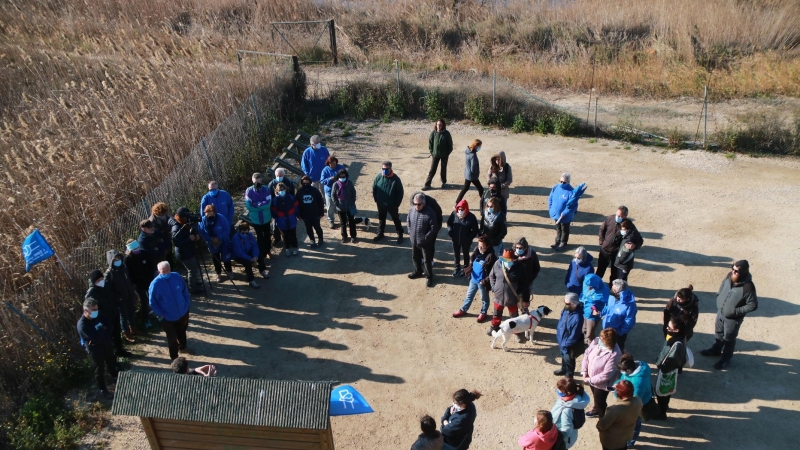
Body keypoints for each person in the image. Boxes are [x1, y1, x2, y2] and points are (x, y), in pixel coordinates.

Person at [701, 260, 758, 370]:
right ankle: (716, 350)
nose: (733, 272)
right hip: (721, 312)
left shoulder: (748, 287)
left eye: (736, 271)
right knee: (719, 333)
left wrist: (735, 312)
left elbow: (753, 305)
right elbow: (723, 285)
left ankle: (725, 359)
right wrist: (719, 296)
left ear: (743, 272)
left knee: (729, 339)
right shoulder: (729, 276)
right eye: (732, 269)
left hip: (733, 319)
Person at [149, 261, 192, 361]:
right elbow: (152, 302)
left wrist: (187, 303)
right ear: (158, 271)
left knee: (182, 331)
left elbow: (184, 290)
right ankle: (174, 358)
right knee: (172, 339)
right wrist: (161, 314)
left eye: (168, 270)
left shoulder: (176, 276)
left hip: (183, 312)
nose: (166, 273)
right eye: (163, 272)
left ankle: (183, 347)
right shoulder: (155, 284)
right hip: (168, 317)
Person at [85, 269, 132, 358]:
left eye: (102, 278)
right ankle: (111, 356)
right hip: (103, 318)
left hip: (114, 313)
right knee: (108, 337)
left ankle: (119, 350)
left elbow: (113, 295)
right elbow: (89, 305)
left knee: (117, 333)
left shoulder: (106, 286)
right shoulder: (92, 292)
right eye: (98, 280)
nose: (101, 281)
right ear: (94, 281)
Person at [77, 298, 118, 398]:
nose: (96, 312)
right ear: (86, 310)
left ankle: (116, 378)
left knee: (111, 362)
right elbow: (95, 338)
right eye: (93, 310)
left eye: (97, 309)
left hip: (107, 344)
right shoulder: (82, 325)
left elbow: (110, 325)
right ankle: (103, 389)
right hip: (95, 350)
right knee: (99, 369)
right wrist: (104, 330)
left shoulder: (99, 314)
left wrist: (103, 331)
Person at [487, 249, 531, 342]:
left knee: (514, 316)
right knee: (496, 314)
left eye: (508, 260)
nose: (506, 262)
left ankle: (516, 332)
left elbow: (525, 285)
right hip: (498, 297)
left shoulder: (520, 267)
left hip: (512, 298)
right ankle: (495, 326)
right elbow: (491, 276)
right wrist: (493, 287)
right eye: (504, 259)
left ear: (513, 259)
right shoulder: (498, 263)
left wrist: (526, 299)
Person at [582, 328, 623, 419]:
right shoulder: (597, 341)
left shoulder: (615, 354)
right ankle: (596, 410)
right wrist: (584, 371)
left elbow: (606, 374)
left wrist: (590, 379)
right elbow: (587, 354)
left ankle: (602, 419)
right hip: (591, 377)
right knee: (596, 397)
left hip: (602, 384)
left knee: (600, 401)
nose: (599, 339)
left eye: (602, 339)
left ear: (608, 342)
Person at [453, 235, 496, 322]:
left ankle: (483, 312)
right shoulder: (476, 252)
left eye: (483, 247)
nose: (480, 249)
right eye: (479, 246)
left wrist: (484, 281)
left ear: (488, 246)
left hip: (482, 282)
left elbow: (493, 273)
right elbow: (472, 263)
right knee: (469, 296)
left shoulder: (491, 257)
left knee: (484, 298)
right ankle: (463, 310)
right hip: (473, 279)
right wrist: (467, 272)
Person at [615, 352, 653, 447]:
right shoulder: (639, 365)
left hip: (638, 405)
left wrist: (617, 393)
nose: (621, 373)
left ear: (628, 370)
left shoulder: (637, 383)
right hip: (642, 398)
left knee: (635, 423)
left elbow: (632, 401)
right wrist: (618, 383)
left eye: (622, 371)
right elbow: (622, 378)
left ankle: (630, 442)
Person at [596, 206, 643, 283]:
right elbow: (602, 229)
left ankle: (612, 289)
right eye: (617, 215)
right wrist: (602, 242)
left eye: (620, 216)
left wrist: (634, 246)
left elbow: (640, 241)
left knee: (614, 274)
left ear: (625, 216)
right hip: (604, 251)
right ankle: (595, 285)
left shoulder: (629, 226)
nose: (617, 217)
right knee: (600, 271)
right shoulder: (610, 219)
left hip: (616, 255)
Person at [654, 319, 688, 419]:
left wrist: (662, 368)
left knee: (661, 392)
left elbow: (673, 361)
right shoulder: (680, 337)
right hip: (672, 371)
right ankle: (664, 407)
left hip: (668, 371)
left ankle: (661, 413)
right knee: (667, 391)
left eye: (669, 327)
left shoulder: (677, 344)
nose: (667, 328)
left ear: (677, 330)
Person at [596, 380, 642, 450]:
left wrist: (598, 425)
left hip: (612, 442)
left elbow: (602, 426)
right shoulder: (638, 401)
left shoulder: (615, 410)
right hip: (625, 437)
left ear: (618, 392)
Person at [104, 250, 137, 341]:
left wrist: (132, 291)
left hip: (129, 294)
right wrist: (117, 297)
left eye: (119, 258)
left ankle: (133, 328)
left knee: (131, 312)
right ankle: (126, 333)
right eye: (115, 259)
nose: (118, 260)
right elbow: (108, 289)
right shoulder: (109, 273)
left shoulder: (124, 267)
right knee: (124, 316)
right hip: (120, 299)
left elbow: (128, 280)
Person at [170, 207, 204, 295]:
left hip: (189, 250)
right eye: (186, 217)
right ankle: (193, 289)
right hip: (184, 253)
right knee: (192, 270)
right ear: (182, 217)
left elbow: (191, 231)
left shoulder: (184, 224)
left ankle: (195, 283)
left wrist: (196, 236)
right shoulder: (176, 227)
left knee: (194, 268)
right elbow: (176, 242)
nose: (187, 218)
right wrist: (189, 239)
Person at [123, 239, 157, 327]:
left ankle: (158, 314)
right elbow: (129, 274)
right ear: (130, 250)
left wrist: (151, 277)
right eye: (134, 249)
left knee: (154, 298)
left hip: (149, 281)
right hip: (138, 284)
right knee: (144, 301)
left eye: (137, 247)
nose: (137, 250)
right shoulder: (128, 260)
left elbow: (151, 265)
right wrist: (134, 284)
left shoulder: (144, 253)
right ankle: (146, 319)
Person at [551, 377, 591, 449]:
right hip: (570, 436)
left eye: (560, 393)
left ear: (568, 393)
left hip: (561, 442)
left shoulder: (566, 410)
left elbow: (567, 432)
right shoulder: (575, 399)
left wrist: (551, 434)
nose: (558, 394)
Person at [408, 192, 438, 288]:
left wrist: (426, 238)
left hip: (425, 242)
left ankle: (429, 276)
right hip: (414, 240)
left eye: (419, 204)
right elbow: (408, 220)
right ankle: (418, 271)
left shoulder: (430, 212)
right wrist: (410, 231)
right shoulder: (412, 210)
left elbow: (434, 227)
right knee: (415, 257)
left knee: (427, 260)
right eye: (415, 204)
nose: (416, 206)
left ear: (424, 203)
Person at [372, 161, 405, 244]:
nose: (384, 170)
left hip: (392, 205)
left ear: (390, 169)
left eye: (386, 169)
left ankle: (400, 234)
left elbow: (400, 193)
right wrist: (377, 200)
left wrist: (396, 204)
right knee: (381, 219)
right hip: (381, 204)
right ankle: (380, 233)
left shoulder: (395, 179)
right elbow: (374, 188)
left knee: (395, 219)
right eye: (383, 168)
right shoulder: (379, 177)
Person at [600, 279, 637, 352]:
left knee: (617, 350)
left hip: (618, 334)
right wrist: (601, 313)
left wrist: (619, 333)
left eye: (613, 290)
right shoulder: (612, 297)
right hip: (607, 329)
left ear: (619, 293)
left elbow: (629, 322)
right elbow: (608, 306)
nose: (611, 290)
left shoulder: (629, 305)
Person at [198, 204, 232, 282]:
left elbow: (227, 229)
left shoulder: (221, 218)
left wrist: (219, 237)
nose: (209, 216)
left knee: (226, 256)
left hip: (223, 241)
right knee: (216, 259)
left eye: (211, 213)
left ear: (214, 212)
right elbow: (202, 232)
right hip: (212, 243)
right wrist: (211, 239)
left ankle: (229, 271)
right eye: (207, 213)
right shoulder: (203, 220)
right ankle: (219, 274)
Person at [245, 172, 273, 261]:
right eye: (255, 182)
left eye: (258, 182)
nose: (257, 184)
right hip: (256, 219)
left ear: (261, 180)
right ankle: (261, 253)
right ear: (252, 181)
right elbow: (249, 205)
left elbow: (268, 204)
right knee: (259, 237)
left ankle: (268, 251)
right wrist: (261, 204)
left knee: (267, 236)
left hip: (266, 218)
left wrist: (255, 205)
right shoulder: (248, 191)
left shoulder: (266, 189)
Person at [446, 200, 479, 277]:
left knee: (465, 254)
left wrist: (469, 238)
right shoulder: (454, 214)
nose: (460, 211)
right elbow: (449, 224)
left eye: (462, 209)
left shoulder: (471, 217)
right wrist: (450, 232)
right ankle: (457, 268)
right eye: (459, 209)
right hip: (455, 239)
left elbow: (475, 230)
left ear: (466, 209)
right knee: (456, 254)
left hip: (466, 240)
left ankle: (465, 269)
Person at [555, 293, 584, 377]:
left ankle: (569, 376)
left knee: (569, 360)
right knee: (563, 356)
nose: (565, 305)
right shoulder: (566, 309)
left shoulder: (578, 318)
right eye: (565, 302)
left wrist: (565, 344)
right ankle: (563, 369)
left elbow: (574, 336)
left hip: (568, 344)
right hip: (562, 340)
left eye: (567, 303)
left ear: (574, 304)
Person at [231, 221, 266, 288]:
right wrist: (250, 259)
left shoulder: (250, 235)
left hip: (247, 251)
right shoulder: (235, 238)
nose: (245, 233)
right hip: (237, 255)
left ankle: (262, 271)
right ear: (239, 231)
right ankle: (251, 280)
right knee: (247, 263)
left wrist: (255, 255)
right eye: (243, 232)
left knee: (259, 256)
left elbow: (254, 246)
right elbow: (239, 252)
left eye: (246, 231)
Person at [548, 173, 577, 251]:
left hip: (565, 216)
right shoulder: (555, 187)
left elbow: (573, 206)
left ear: (568, 182)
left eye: (564, 182)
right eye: (560, 181)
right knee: (558, 228)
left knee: (564, 229)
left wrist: (565, 213)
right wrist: (551, 209)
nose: (561, 183)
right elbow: (550, 198)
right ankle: (557, 241)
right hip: (556, 215)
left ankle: (563, 243)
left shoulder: (571, 192)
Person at [267, 168, 296, 245]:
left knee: (289, 225)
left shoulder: (289, 182)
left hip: (288, 207)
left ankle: (289, 240)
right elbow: (269, 196)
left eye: (280, 175)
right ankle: (277, 239)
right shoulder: (271, 184)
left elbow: (292, 194)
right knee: (276, 225)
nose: (279, 177)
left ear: (284, 175)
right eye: (277, 175)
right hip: (277, 208)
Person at [271, 182, 300, 255]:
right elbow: (273, 210)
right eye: (280, 190)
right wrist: (276, 217)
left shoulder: (291, 197)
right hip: (281, 221)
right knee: (285, 236)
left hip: (291, 219)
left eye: (283, 189)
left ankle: (295, 247)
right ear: (277, 191)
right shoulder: (275, 200)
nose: (281, 191)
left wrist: (297, 215)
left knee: (293, 235)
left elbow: (296, 207)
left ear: (286, 189)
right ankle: (287, 248)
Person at [580, 274, 610, 345]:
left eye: (591, 286)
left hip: (592, 317)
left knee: (589, 334)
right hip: (584, 311)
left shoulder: (604, 292)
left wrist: (601, 312)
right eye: (588, 286)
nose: (589, 288)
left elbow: (609, 305)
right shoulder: (586, 283)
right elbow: (583, 294)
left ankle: (592, 346)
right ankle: (586, 342)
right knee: (584, 330)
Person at [424, 118, 453, 190]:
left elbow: (450, 146)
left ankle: (444, 183)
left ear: (443, 125)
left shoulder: (447, 134)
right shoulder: (433, 133)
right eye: (437, 125)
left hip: (444, 156)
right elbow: (430, 144)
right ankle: (427, 184)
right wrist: (432, 153)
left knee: (443, 169)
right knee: (432, 170)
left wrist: (446, 154)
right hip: (435, 155)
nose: (438, 126)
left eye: (440, 125)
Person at [296, 175, 325, 248]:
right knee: (308, 228)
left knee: (317, 227)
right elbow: (296, 204)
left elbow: (320, 202)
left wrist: (321, 212)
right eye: (304, 183)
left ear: (310, 182)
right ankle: (312, 240)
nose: (305, 184)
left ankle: (320, 239)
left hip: (315, 213)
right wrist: (298, 215)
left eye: (307, 183)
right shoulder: (299, 192)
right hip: (305, 214)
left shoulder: (315, 190)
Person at [331, 168, 359, 244]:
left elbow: (353, 192)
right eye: (341, 176)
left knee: (352, 222)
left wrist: (352, 201)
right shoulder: (335, 184)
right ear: (338, 176)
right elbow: (333, 196)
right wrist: (337, 204)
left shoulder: (349, 183)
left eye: (344, 176)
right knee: (343, 223)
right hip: (341, 208)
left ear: (346, 176)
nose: (342, 178)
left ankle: (353, 236)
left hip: (350, 206)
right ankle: (344, 237)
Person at [515, 237, 541, 311]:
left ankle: (524, 311)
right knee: (515, 298)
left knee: (525, 298)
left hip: (527, 282)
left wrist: (531, 278)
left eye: (520, 248)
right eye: (517, 247)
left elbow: (537, 268)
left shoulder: (532, 254)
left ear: (525, 247)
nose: (518, 249)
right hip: (516, 282)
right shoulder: (513, 254)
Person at [455, 139, 484, 204]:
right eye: (479, 146)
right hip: (472, 175)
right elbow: (473, 167)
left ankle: (457, 202)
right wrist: (477, 174)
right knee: (480, 189)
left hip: (467, 174)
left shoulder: (468, 151)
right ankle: (484, 202)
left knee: (465, 188)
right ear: (476, 146)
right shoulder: (473, 155)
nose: (480, 148)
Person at [321, 155, 345, 228]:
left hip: (340, 191)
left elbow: (347, 176)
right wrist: (329, 179)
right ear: (328, 164)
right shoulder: (325, 170)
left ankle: (343, 220)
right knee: (330, 207)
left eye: (334, 164)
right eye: (331, 165)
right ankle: (331, 220)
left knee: (342, 206)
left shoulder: (341, 168)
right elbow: (322, 181)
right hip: (329, 192)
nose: (333, 166)